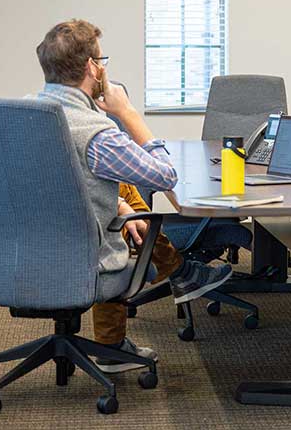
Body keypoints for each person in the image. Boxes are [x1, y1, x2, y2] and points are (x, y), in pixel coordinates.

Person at [33, 19, 232, 373]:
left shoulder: (21, 115)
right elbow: (167, 176)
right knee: (121, 200)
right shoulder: (98, 133)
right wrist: (128, 113)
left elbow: (56, 182)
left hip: (23, 254)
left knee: (120, 190)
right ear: (93, 68)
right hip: (85, 257)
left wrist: (120, 203)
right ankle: (179, 273)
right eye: (102, 60)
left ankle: (177, 276)